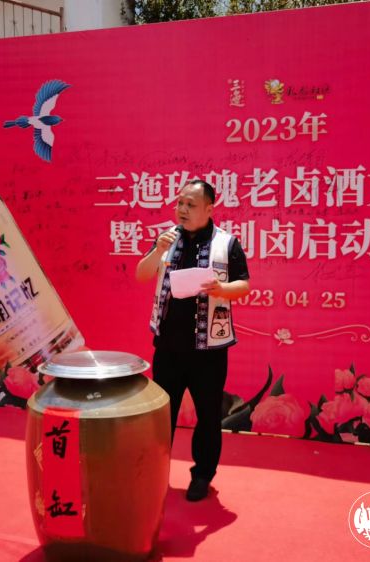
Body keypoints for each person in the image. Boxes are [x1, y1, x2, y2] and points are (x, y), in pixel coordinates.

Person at [135, 179, 250, 501]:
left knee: (209, 416)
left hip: (208, 350)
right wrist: (158, 250)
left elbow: (244, 285)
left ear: (209, 209)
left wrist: (222, 289)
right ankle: (155, 474)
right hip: (168, 347)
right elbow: (142, 274)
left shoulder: (227, 243)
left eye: (191, 204)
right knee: (161, 416)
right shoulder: (167, 239)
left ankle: (202, 476)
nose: (182, 209)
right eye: (180, 203)